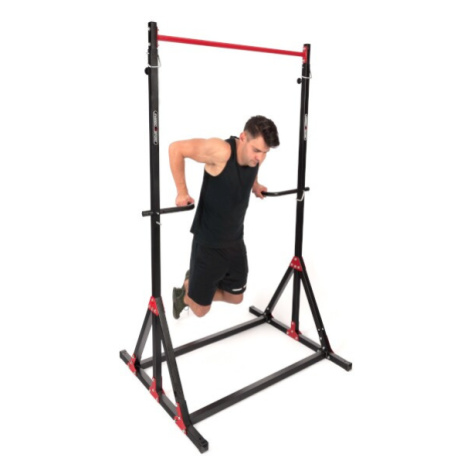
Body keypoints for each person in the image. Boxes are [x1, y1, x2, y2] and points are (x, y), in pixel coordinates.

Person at [169, 115, 280, 318]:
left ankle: (195, 285)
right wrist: (182, 192)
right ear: (243, 137)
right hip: (208, 244)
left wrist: (255, 184)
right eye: (256, 150)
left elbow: (254, 165)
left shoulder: (254, 157)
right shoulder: (221, 151)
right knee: (201, 310)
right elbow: (176, 149)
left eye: (265, 153)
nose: (260, 158)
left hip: (235, 240)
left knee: (236, 297)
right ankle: (185, 293)